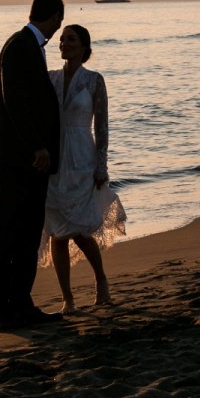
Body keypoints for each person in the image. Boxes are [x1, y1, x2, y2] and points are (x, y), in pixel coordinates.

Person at [0, 0, 65, 331]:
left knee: (27, 232)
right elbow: (13, 100)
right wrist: (37, 147)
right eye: (60, 19)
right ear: (55, 16)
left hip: (24, 157)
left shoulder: (28, 46)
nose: (59, 26)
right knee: (11, 232)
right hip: (18, 158)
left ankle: (20, 302)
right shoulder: (20, 46)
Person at [39, 24, 126, 314]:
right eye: (61, 39)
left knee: (78, 230)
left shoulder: (94, 81)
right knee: (56, 232)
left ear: (84, 47)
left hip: (82, 157)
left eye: (70, 39)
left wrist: (101, 165)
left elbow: (102, 127)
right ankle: (68, 298)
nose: (63, 43)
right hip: (54, 159)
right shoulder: (50, 78)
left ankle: (101, 281)